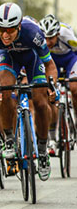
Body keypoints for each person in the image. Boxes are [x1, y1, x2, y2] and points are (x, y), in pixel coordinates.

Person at [0, 3, 58, 180]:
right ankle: (9, 139)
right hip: (8, 58)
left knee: (40, 101)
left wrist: (52, 86)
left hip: (33, 59)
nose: (5, 34)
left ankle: (41, 149)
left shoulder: (33, 33)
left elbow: (50, 65)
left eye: (10, 30)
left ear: (18, 26)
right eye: (2, 29)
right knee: (5, 90)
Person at [39, 14, 77, 155]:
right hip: (51, 61)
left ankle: (76, 118)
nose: (48, 42)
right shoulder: (38, 38)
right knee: (49, 94)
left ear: (58, 34)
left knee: (74, 88)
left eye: (51, 38)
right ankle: (52, 138)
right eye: (45, 38)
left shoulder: (67, 34)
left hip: (70, 59)